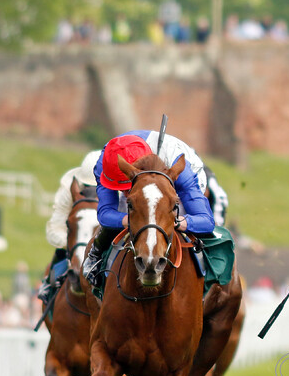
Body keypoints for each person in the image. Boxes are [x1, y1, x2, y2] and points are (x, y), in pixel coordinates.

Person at [82, 130, 214, 289]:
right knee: (133, 211)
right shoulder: (105, 162)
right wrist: (133, 219)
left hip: (180, 174)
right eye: (122, 189)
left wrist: (178, 222)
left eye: (127, 189)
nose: (124, 193)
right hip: (133, 169)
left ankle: (210, 280)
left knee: (168, 215)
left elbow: (206, 221)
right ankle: (95, 256)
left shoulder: (183, 174)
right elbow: (104, 215)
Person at [37, 149, 100, 304]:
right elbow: (54, 228)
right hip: (73, 242)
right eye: (86, 187)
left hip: (103, 241)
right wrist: (75, 245)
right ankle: (49, 288)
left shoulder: (120, 191)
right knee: (61, 255)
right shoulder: (68, 192)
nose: (90, 192)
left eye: (97, 187)